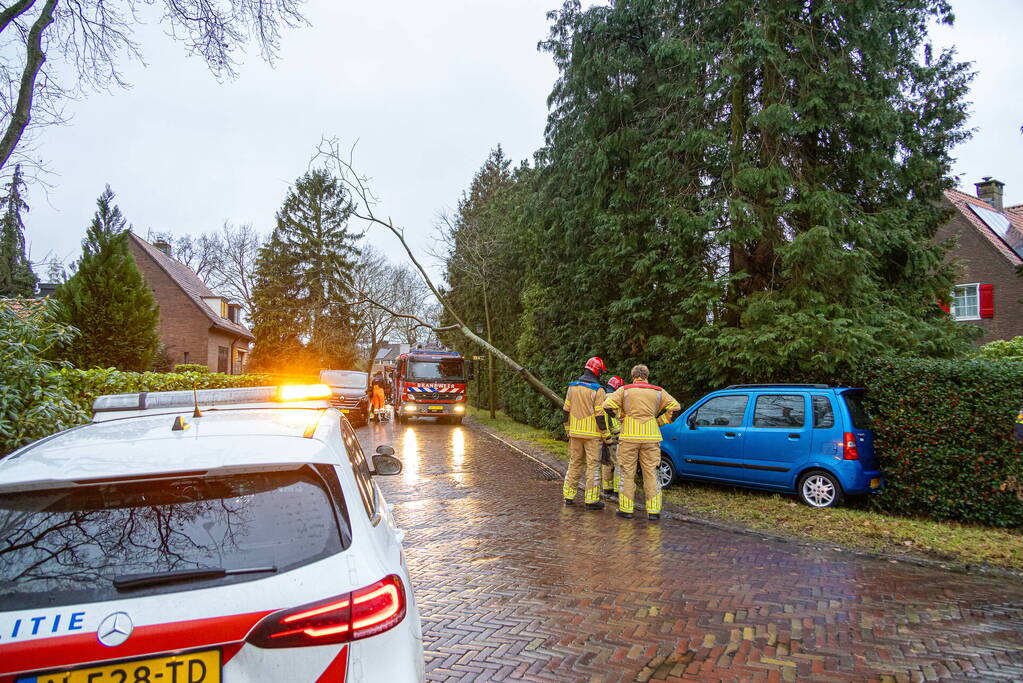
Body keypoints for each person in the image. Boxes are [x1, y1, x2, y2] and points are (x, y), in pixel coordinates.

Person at [602, 364, 680, 521]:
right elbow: (676, 407)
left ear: (633, 376)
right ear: (647, 375)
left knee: (627, 473)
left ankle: (626, 509)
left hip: (629, 436)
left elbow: (607, 405)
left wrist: (621, 415)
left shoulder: (625, 390)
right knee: (651, 473)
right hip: (651, 436)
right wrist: (660, 420)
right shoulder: (658, 391)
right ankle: (654, 511)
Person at [562, 357, 609, 509]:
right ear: (598, 371)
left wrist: (568, 430)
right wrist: (606, 435)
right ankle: (591, 500)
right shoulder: (599, 390)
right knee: (593, 467)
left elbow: (565, 412)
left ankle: (568, 496)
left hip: (575, 433)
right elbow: (600, 417)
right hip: (592, 436)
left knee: (574, 463)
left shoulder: (572, 387)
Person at [601, 376, 624, 498]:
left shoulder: (602, 397)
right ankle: (617, 490)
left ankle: (607, 488)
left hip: (605, 435)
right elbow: (616, 419)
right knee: (619, 463)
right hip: (616, 435)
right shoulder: (615, 400)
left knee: (607, 461)